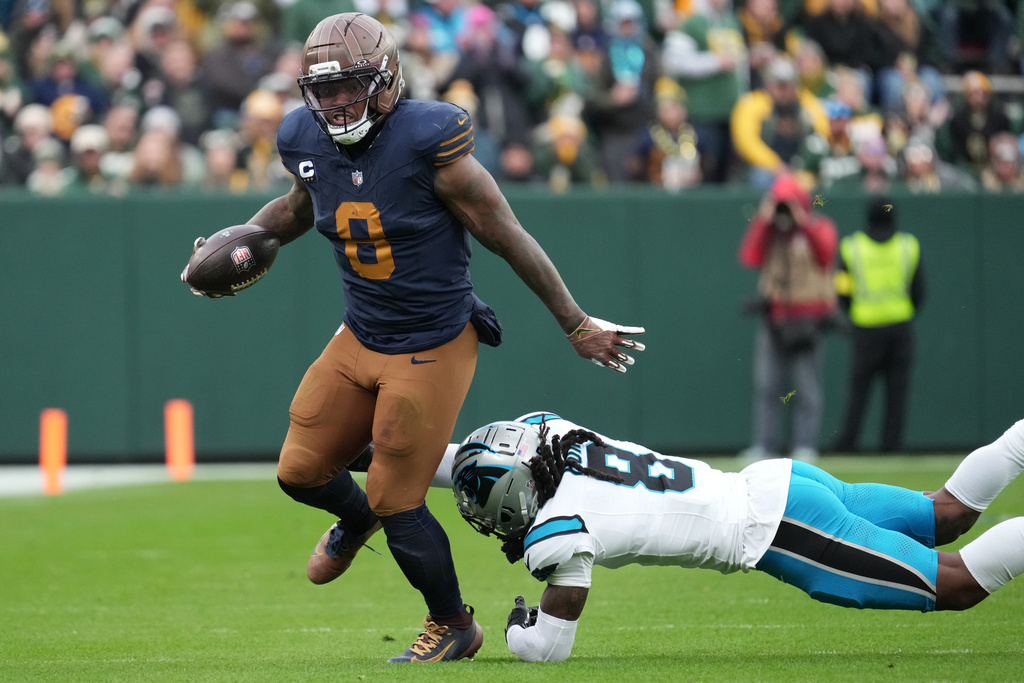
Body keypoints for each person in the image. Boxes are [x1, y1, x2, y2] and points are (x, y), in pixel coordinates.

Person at [178, 13, 645, 665]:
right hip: (362, 330)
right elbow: (295, 208)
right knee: (301, 470)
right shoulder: (303, 138)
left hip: (433, 339)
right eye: (327, 89)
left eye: (352, 86)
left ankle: (453, 623)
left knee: (397, 494)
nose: (338, 102)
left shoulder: (431, 142)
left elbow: (508, 236)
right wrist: (239, 240)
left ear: (388, 80)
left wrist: (574, 321)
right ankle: (358, 515)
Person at [450, 410, 1024, 662]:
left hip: (780, 530)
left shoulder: (556, 532)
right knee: (947, 512)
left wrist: (516, 626)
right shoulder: (551, 434)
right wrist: (361, 454)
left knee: (959, 583)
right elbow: (455, 459)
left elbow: (547, 649)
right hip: (780, 482)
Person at [738, 173, 838, 463]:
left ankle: (805, 446)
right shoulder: (770, 232)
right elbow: (749, 257)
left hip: (809, 320)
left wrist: (802, 220)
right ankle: (764, 446)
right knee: (768, 385)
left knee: (807, 387)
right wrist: (762, 219)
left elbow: (826, 252)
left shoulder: (819, 226)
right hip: (775, 318)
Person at [832, 198, 924, 453]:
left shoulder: (852, 247)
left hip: (865, 327)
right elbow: (919, 291)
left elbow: (842, 288)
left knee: (858, 392)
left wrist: (855, 311)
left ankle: (847, 444)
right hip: (900, 326)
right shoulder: (909, 246)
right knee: (897, 392)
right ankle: (892, 446)